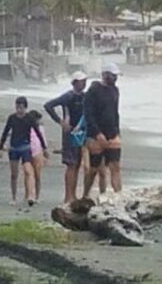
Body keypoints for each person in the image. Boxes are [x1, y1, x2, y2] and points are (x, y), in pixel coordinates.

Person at [43, 71, 101, 204]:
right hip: (70, 133)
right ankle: (68, 196)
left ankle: (75, 195)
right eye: (81, 81)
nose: (84, 83)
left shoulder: (85, 96)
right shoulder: (68, 96)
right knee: (71, 164)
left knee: (78, 164)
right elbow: (48, 105)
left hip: (82, 133)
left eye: (85, 81)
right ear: (74, 83)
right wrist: (60, 121)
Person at [82, 62, 122, 199]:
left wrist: (117, 131)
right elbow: (88, 114)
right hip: (96, 135)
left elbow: (115, 112)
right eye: (113, 75)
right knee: (94, 169)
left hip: (112, 133)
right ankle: (85, 194)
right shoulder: (93, 90)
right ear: (105, 75)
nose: (115, 78)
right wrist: (97, 133)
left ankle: (119, 196)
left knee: (115, 166)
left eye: (116, 75)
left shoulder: (115, 90)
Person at [0, 96, 48, 207]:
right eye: (17, 107)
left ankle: (31, 195)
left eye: (21, 107)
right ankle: (13, 197)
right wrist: (1, 147)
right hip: (14, 148)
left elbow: (38, 133)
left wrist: (44, 148)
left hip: (25, 147)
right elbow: (6, 131)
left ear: (25, 107)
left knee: (28, 170)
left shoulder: (29, 118)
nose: (19, 110)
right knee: (14, 174)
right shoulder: (12, 118)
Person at [28, 110, 49, 204]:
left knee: (34, 175)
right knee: (33, 175)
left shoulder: (39, 128)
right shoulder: (31, 127)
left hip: (35, 151)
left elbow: (43, 139)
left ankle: (34, 195)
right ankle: (33, 195)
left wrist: (44, 151)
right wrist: (45, 151)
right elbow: (43, 140)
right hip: (34, 151)